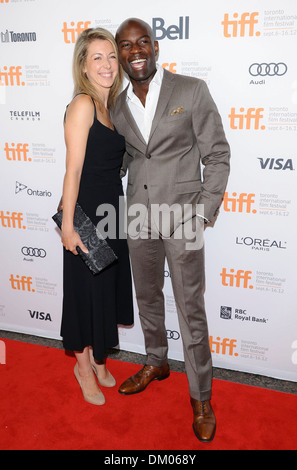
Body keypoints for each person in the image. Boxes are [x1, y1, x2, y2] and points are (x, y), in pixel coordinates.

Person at [112, 18, 230, 441]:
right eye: (126, 45)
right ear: (120, 54)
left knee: (189, 307)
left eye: (142, 42)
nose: (135, 50)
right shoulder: (116, 104)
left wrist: (203, 213)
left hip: (184, 217)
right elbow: (126, 158)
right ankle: (156, 361)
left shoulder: (191, 89)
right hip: (139, 218)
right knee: (147, 297)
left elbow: (217, 153)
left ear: (156, 47)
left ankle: (201, 396)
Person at [60, 28, 134, 406]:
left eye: (110, 56)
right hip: (87, 211)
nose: (106, 64)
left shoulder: (112, 107)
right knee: (85, 293)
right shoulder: (84, 104)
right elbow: (72, 171)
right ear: (84, 67)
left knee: (104, 289)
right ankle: (83, 367)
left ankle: (100, 357)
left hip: (112, 209)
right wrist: (69, 226)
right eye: (97, 58)